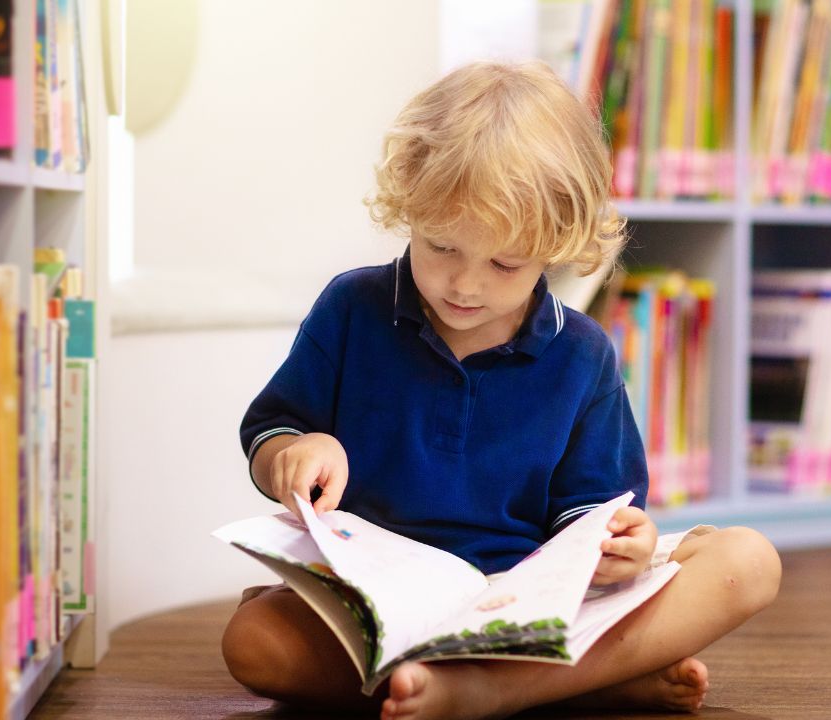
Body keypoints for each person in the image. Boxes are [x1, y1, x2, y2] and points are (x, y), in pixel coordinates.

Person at [221, 61, 781, 720]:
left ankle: (479, 691)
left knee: (750, 561)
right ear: (410, 208)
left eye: (504, 264)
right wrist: (293, 450)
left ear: (557, 245)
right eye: (441, 248)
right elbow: (271, 431)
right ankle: (585, 684)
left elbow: (594, 516)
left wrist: (621, 547)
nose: (464, 285)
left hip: (531, 612)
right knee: (253, 644)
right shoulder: (352, 308)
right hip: (382, 606)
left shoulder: (583, 355)